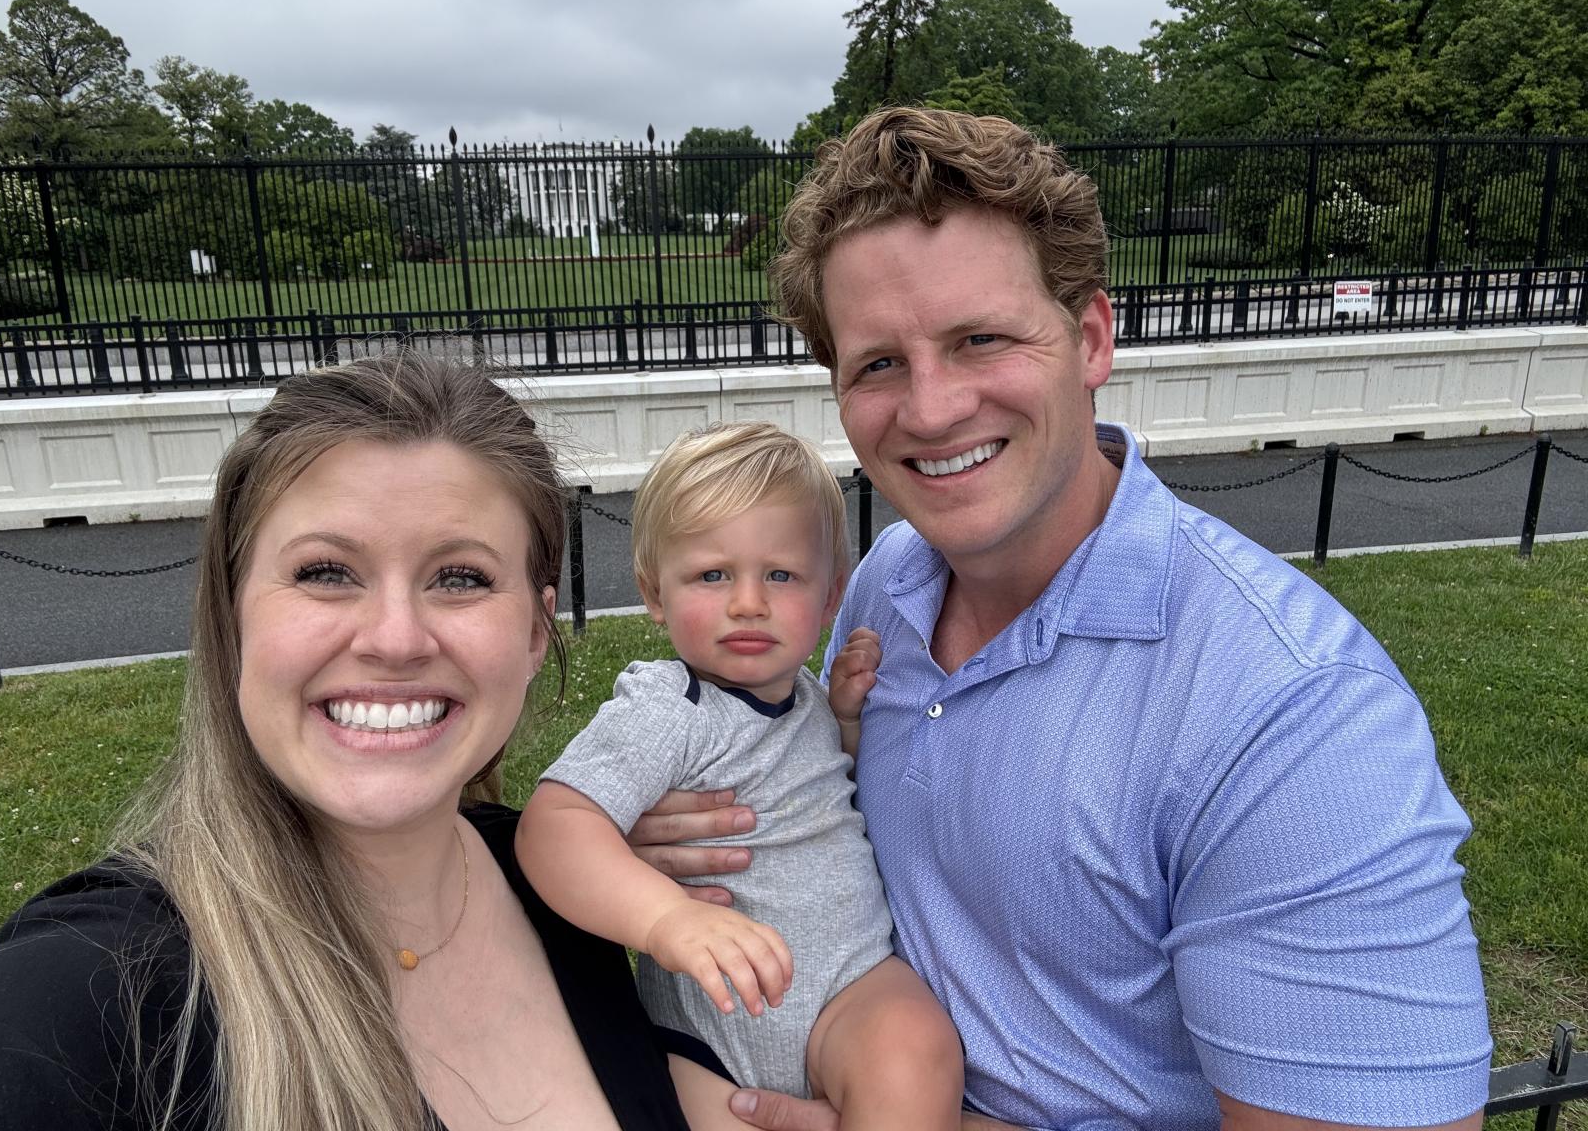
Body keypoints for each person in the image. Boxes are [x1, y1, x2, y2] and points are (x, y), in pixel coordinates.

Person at [628, 108, 1494, 1131]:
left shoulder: (1291, 718)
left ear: (1089, 339)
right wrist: (690, 831)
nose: (933, 407)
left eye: (979, 339)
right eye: (877, 364)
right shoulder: (886, 590)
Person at [0, 354, 752, 1131]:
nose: (396, 639)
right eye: (326, 571)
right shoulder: (82, 999)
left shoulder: (570, 898)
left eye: (459, 578)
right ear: (233, 610)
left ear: (534, 630)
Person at [517, 421, 964, 1130]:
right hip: (709, 1031)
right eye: (712, 574)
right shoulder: (668, 707)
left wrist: (845, 720)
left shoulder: (808, 697)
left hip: (851, 987)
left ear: (828, 600)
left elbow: (821, 791)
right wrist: (665, 917)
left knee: (919, 1051)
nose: (748, 601)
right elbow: (555, 826)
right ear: (654, 594)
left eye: (780, 575)